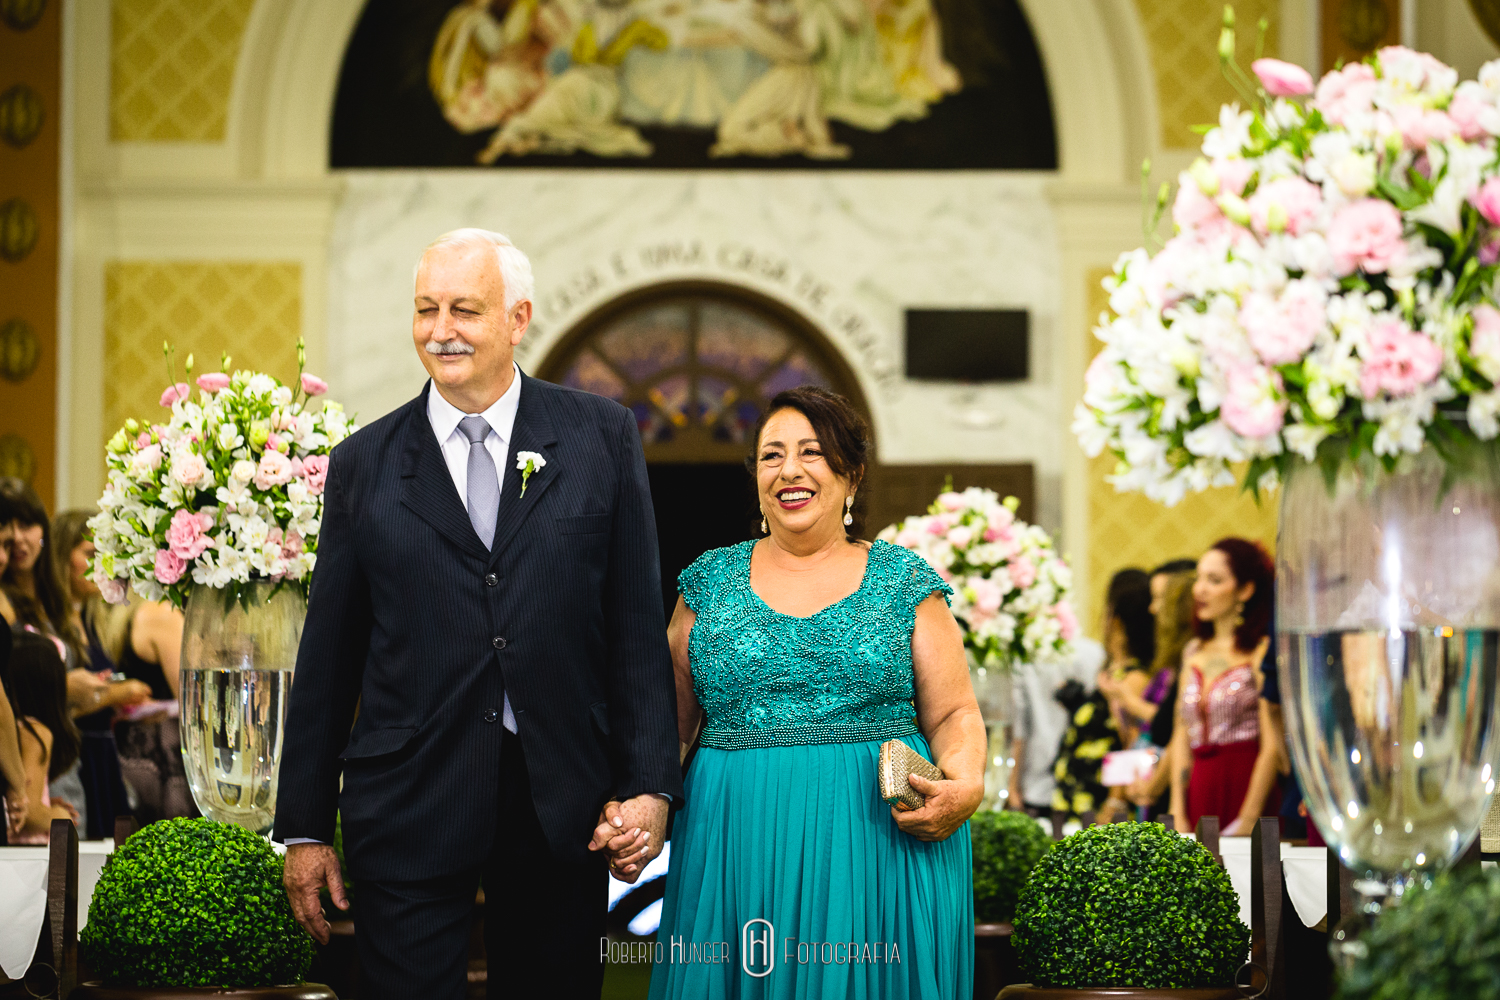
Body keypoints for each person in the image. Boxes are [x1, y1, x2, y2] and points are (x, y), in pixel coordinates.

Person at [275, 228, 682, 1000]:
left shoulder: (601, 437)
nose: (440, 329)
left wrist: (649, 787)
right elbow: (329, 655)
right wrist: (302, 826)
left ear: (517, 317)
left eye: (464, 308)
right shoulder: (363, 463)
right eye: (426, 309)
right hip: (407, 799)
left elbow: (633, 628)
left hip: (561, 803)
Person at [648, 386, 984, 999]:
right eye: (771, 456)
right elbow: (668, 727)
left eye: (812, 452)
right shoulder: (707, 583)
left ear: (851, 476)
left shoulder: (905, 581)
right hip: (734, 837)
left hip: (878, 843)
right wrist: (642, 808)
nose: (790, 470)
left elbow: (956, 712)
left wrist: (963, 783)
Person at [1169, 538, 1283, 837]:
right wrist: (1176, 811)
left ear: (1245, 589)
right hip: (1199, 783)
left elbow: (1271, 744)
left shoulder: (1260, 652)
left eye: (1214, 580)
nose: (1200, 590)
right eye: (1199, 579)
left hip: (1244, 780)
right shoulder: (1193, 651)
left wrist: (1248, 818)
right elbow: (1181, 733)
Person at [51, 510, 150, 838]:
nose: (101, 566)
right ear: (62, 556)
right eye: (91, 554)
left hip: (104, 755)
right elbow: (51, 704)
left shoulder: (91, 620)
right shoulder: (51, 625)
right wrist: (115, 694)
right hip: (73, 759)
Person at [1051, 569, 1152, 821]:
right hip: (1078, 798)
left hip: (1099, 802)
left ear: (1115, 619)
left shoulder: (1133, 678)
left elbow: (1131, 742)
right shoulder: (1110, 672)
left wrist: (1115, 802)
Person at [89, 593, 190, 823]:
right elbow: (195, 705)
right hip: (162, 766)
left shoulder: (113, 615)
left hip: (127, 760)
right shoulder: (160, 613)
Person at [1007, 636, 1105, 816]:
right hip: (1084, 782)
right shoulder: (1094, 653)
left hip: (1039, 782)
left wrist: (1013, 786)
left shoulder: (1024, 658)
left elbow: (1020, 729)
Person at [8, 630, 81, 843]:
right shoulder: (34, 733)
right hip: (26, 858)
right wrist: (60, 816)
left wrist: (47, 802)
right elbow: (28, 813)